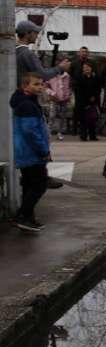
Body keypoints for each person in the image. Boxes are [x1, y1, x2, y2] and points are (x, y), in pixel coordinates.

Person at [10, 72, 51, 232]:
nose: (40, 87)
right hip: (31, 152)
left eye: (41, 84)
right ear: (25, 86)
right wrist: (43, 150)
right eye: (36, 84)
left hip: (26, 151)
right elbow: (31, 131)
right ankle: (22, 216)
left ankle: (28, 218)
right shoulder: (27, 105)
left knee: (29, 185)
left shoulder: (26, 101)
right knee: (39, 185)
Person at [75, 62, 102, 141]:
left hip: (93, 101)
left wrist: (94, 97)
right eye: (85, 67)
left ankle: (92, 135)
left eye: (88, 67)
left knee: (92, 119)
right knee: (83, 120)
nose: (86, 69)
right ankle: (83, 135)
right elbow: (78, 90)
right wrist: (86, 99)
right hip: (83, 102)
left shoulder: (95, 77)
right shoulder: (79, 77)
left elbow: (98, 88)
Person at [44, 64, 72, 141]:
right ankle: (48, 132)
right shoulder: (51, 75)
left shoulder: (67, 76)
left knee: (62, 117)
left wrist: (68, 95)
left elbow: (69, 87)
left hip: (64, 100)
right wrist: (52, 93)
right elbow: (45, 86)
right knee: (52, 116)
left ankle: (60, 133)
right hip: (54, 99)